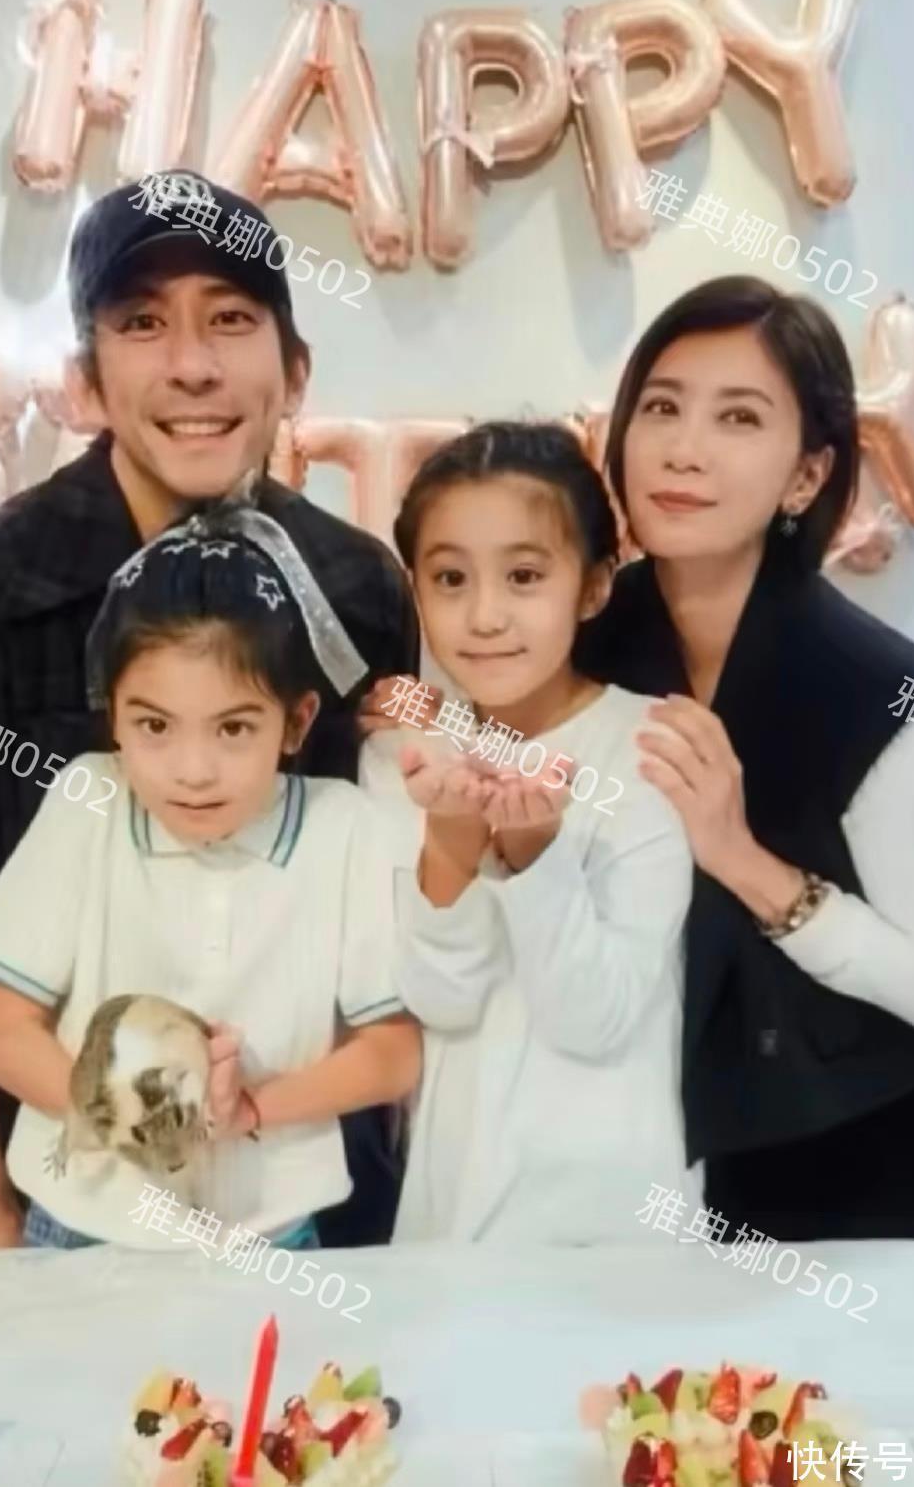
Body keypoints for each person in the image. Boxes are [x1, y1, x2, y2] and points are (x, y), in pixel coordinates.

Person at [0, 170, 418, 1262]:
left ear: (295, 370)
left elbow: (380, 882)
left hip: (283, 1145)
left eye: (231, 320)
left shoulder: (355, 590)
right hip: (32, 1134)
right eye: (143, 323)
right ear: (85, 381)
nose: (193, 364)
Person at [573, 275, 914, 1242]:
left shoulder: (882, 696)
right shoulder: (597, 641)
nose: (684, 449)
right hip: (714, 1158)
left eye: (740, 418)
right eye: (662, 407)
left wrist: (741, 858)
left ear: (807, 476)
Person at [0, 506, 421, 1249]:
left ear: (297, 722)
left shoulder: (344, 825)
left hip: (268, 1236)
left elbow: (393, 1053)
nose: (193, 770)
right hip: (84, 1230)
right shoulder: (89, 801)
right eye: (154, 726)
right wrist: (133, 1120)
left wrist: (251, 1110)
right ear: (112, 715)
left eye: (234, 728)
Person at [361, 422, 696, 1242]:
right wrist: (451, 840)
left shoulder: (651, 749)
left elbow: (596, 1017)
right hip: (454, 1204)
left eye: (523, 576)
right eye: (450, 578)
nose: (485, 616)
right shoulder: (400, 756)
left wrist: (538, 856)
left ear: (593, 586)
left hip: (612, 1215)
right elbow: (439, 1000)